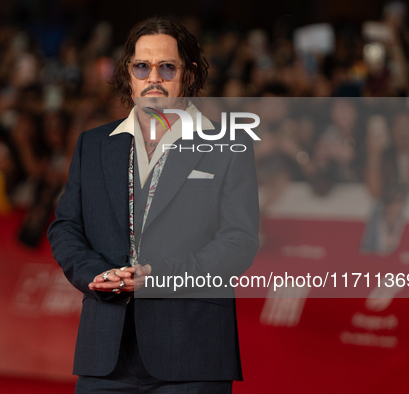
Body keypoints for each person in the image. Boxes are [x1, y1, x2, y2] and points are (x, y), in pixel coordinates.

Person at [48, 16, 259, 393]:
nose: (153, 78)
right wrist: (95, 275)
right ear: (128, 74)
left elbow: (238, 242)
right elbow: (66, 227)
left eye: (167, 67)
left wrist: (160, 275)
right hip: (106, 353)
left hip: (193, 352)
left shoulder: (228, 146)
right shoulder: (94, 145)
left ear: (189, 74)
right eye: (142, 67)